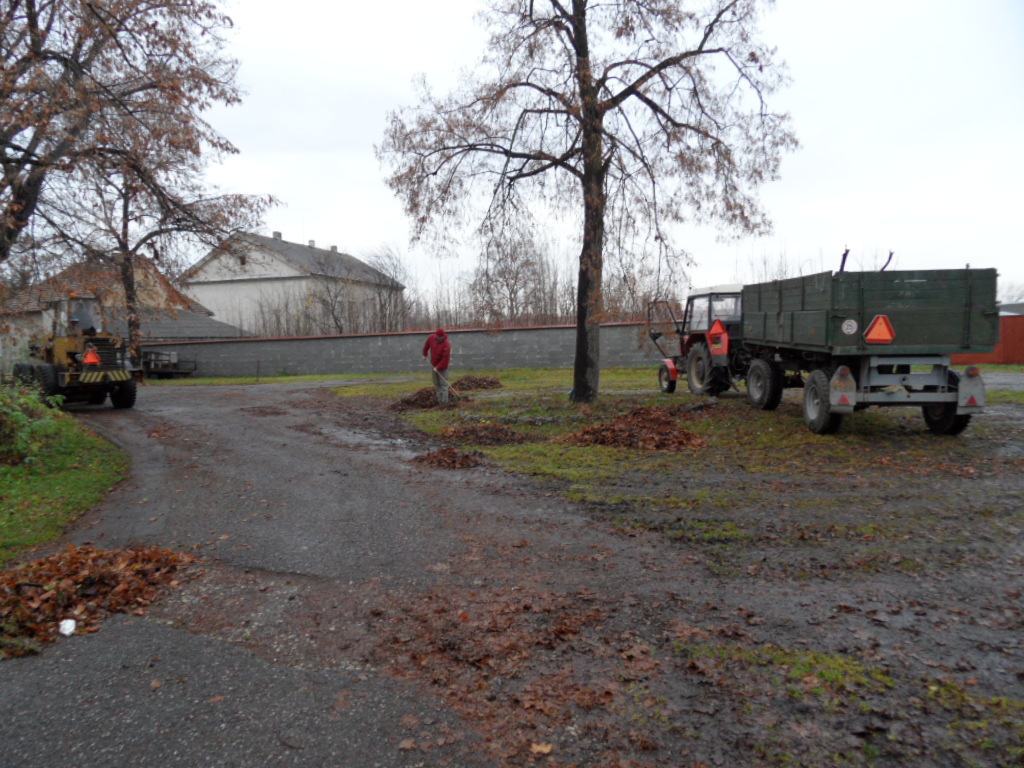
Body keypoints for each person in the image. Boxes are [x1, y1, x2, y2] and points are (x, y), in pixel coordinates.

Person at [422, 328, 451, 404]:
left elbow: (446, 360)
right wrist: (425, 354)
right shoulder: (432, 338)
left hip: (443, 368)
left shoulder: (446, 344)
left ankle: (444, 403)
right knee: (437, 384)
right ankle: (439, 402)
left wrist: (438, 367)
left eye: (441, 337)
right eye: (438, 336)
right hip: (434, 366)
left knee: (444, 386)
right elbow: (427, 345)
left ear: (443, 336)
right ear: (436, 335)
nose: (439, 338)